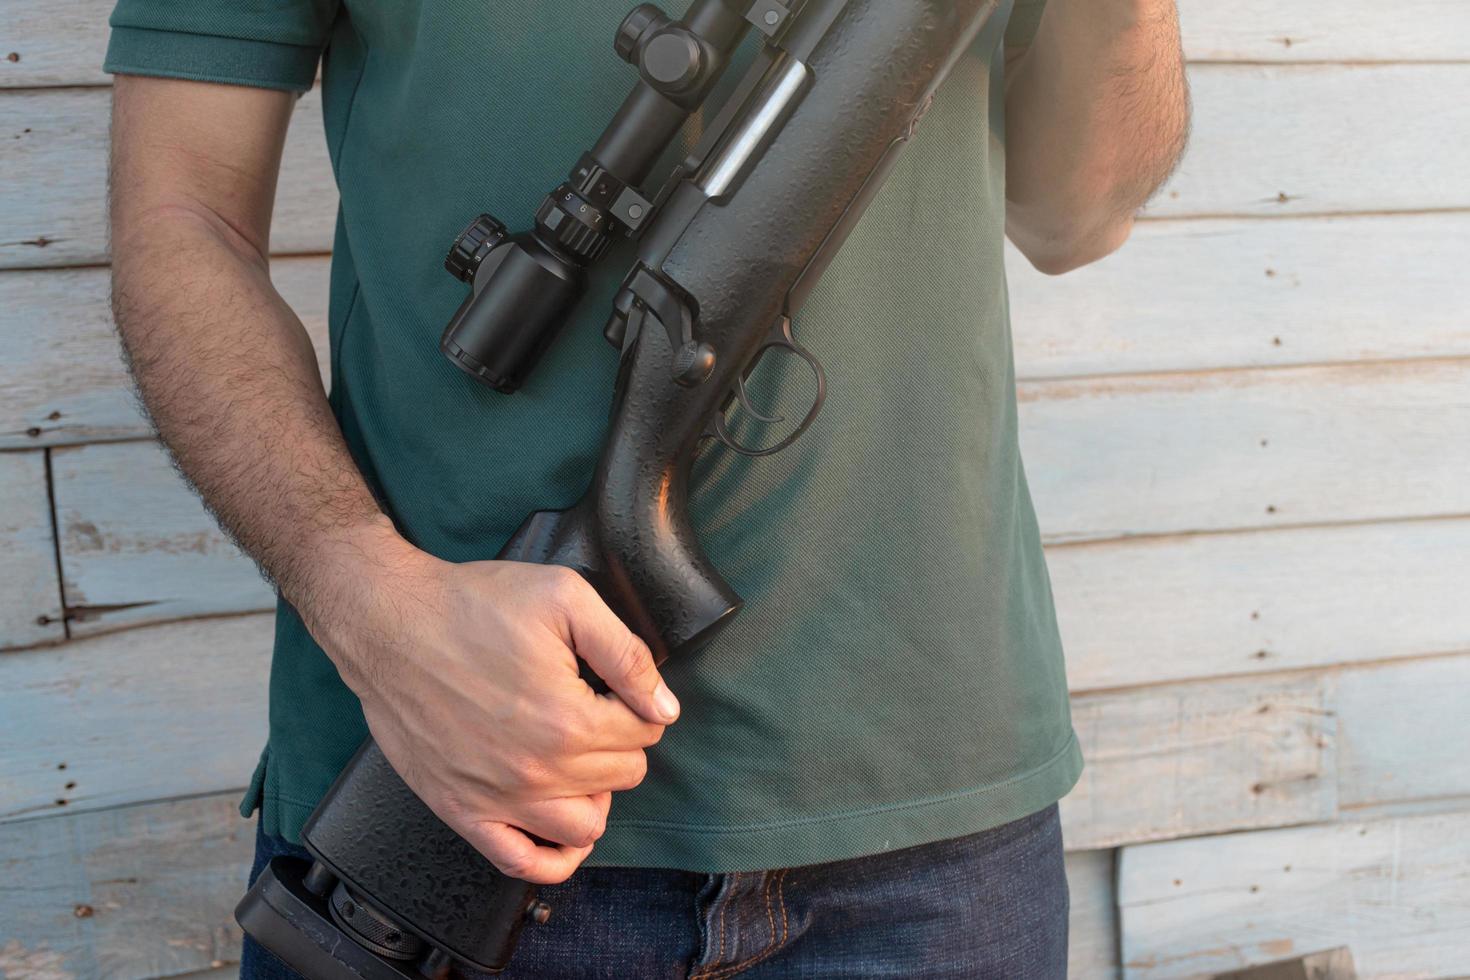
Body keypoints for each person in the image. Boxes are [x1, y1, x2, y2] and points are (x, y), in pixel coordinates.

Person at [105, 0, 1188, 975]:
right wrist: (368, 605)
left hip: (936, 837)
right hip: (467, 774)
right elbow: (181, 219)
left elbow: (1075, 218)